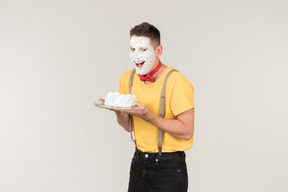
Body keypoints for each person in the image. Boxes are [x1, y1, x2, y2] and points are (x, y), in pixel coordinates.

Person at [103, 22, 195, 192]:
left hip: (169, 167)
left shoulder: (177, 82)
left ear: (158, 51)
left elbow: (187, 131)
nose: (136, 56)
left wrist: (148, 116)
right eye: (132, 49)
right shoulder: (127, 79)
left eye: (143, 50)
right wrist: (117, 110)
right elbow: (129, 126)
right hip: (139, 162)